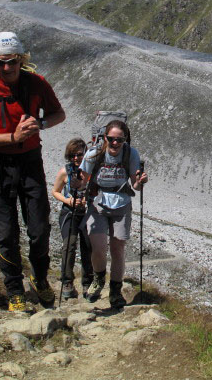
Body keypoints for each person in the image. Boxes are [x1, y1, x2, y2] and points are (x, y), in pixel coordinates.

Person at [0, 31, 65, 312]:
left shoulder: (36, 83)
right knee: (6, 231)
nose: (7, 68)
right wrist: (13, 138)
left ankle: (40, 279)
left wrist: (40, 125)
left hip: (31, 161)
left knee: (39, 228)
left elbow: (59, 114)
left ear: (21, 59)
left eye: (12, 62)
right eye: (0, 63)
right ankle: (14, 289)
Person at [79, 120, 148, 306]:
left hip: (122, 202)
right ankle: (99, 280)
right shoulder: (94, 154)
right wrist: (76, 185)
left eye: (120, 139)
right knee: (99, 247)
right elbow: (82, 181)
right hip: (98, 201)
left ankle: (115, 292)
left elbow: (135, 184)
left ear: (125, 139)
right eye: (111, 139)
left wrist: (140, 181)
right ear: (105, 138)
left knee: (118, 249)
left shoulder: (131, 153)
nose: (115, 143)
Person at [51, 138, 94, 299]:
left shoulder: (90, 172)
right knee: (69, 245)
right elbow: (55, 191)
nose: (76, 158)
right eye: (72, 155)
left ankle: (87, 282)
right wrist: (68, 200)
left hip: (87, 212)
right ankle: (67, 281)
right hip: (69, 212)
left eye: (79, 155)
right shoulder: (65, 171)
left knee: (87, 246)